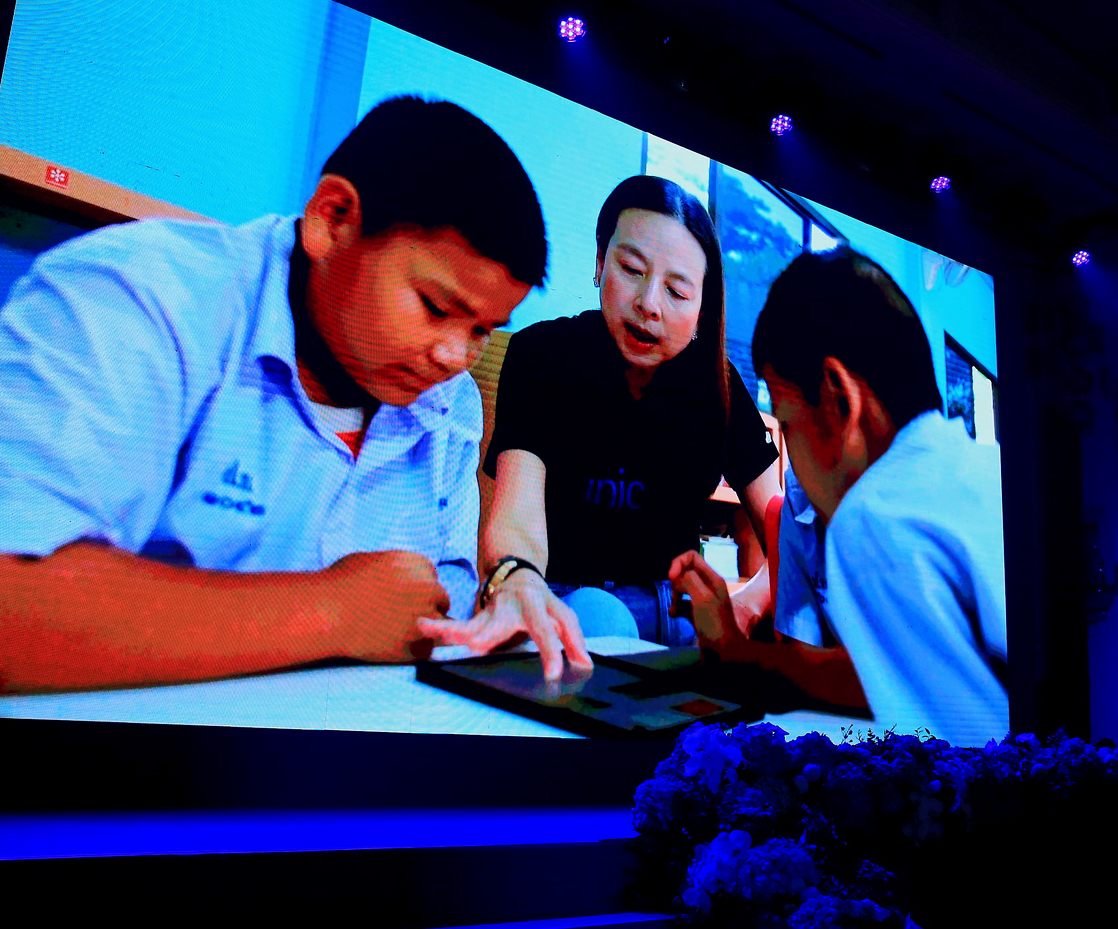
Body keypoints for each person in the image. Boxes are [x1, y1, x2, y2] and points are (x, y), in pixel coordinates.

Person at [0, 96, 544, 695]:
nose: (454, 357)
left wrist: (503, 600)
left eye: (482, 330)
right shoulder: (142, 299)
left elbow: (435, 607)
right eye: (436, 308)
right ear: (332, 219)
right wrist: (332, 611)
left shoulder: (450, 403)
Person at [428, 176, 781, 671]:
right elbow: (516, 512)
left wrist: (750, 600)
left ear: (704, 306)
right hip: (569, 606)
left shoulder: (716, 383)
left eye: (677, 291)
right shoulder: (543, 355)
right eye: (631, 270)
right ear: (600, 262)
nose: (649, 303)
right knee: (601, 617)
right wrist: (517, 579)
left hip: (676, 617)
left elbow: (782, 528)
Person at [741, 247, 1008, 746]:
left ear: (838, 398)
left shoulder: (871, 516)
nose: (789, 454)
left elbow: (960, 756)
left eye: (787, 422)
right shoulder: (990, 473)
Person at [669, 463, 868, 713]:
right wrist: (732, 640)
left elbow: (894, 675)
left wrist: (737, 653)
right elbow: (802, 655)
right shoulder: (800, 483)